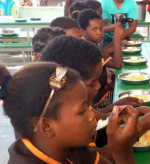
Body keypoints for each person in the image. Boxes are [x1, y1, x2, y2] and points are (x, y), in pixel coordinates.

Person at [40, 35, 150, 147]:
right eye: (92, 82)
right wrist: (142, 126)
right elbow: (104, 155)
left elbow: (99, 119)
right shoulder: (65, 125)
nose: (98, 86)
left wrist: (135, 110)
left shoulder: (72, 105)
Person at [4, 62, 139, 163]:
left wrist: (120, 146)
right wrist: (122, 151)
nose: (92, 115)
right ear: (47, 127)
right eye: (81, 112)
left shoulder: (70, 147)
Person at [77, 9, 124, 108]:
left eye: (101, 28)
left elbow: (102, 52)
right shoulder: (88, 47)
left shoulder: (85, 43)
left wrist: (116, 45)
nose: (99, 33)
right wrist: (116, 39)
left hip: (101, 90)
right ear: (83, 31)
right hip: (98, 100)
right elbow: (117, 65)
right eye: (94, 29)